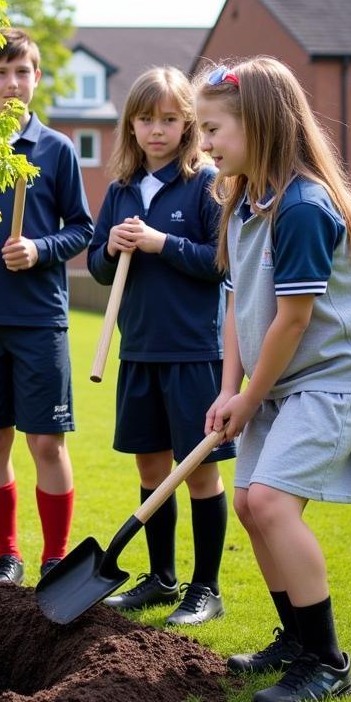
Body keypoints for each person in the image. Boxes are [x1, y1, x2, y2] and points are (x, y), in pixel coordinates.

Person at [198, 56, 351, 702]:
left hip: (333, 377)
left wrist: (250, 397)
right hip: (278, 380)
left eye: (214, 130)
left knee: (268, 503)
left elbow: (292, 320)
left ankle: (327, 662)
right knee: (247, 505)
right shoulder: (242, 201)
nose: (203, 145)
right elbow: (239, 304)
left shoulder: (302, 208)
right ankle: (294, 639)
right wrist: (227, 387)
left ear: (259, 125)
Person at [88, 67, 235, 625]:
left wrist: (160, 242)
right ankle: (162, 578)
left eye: (169, 119)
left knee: (198, 471)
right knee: (151, 470)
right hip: (138, 351)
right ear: (131, 124)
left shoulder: (205, 185)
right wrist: (115, 246)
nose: (156, 130)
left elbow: (218, 262)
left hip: (193, 352)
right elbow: (99, 267)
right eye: (146, 119)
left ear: (188, 124)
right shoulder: (122, 189)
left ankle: (206, 588)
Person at [0, 28, 93, 585]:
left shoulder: (56, 150)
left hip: (39, 320)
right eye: (0, 72)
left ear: (35, 78)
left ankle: (55, 557)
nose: (11, 84)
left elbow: (83, 228)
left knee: (46, 442)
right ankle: (8, 556)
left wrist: (39, 249)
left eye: (21, 72)